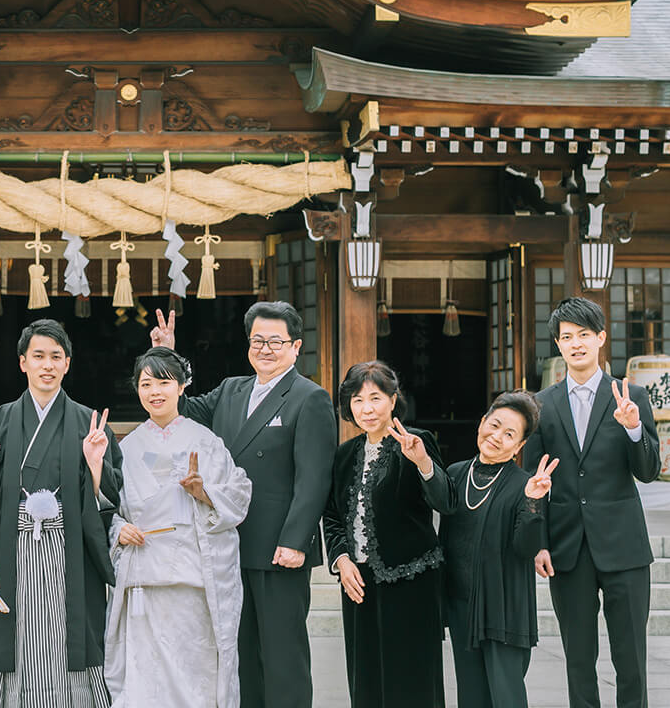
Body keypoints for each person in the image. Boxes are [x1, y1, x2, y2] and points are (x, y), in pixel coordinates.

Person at [151, 302, 336, 708]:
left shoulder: (310, 398)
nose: (265, 349)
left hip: (278, 549)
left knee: (282, 655)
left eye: (275, 341)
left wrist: (296, 541)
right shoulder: (232, 389)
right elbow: (183, 408)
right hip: (229, 544)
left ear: (296, 346)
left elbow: (314, 477)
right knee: (241, 654)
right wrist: (168, 360)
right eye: (257, 340)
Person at [0, 318, 122, 708]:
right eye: (38, 356)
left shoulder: (88, 424)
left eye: (56, 357)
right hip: (11, 551)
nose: (47, 365)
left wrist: (96, 466)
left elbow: (112, 499)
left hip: (70, 551)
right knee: (15, 640)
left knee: (70, 639)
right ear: (22, 362)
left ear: (68, 364)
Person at [523, 297, 660, 708]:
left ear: (601, 338)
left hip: (624, 546)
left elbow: (649, 470)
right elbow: (535, 481)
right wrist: (539, 541)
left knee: (631, 658)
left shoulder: (631, 395)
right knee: (578, 659)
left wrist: (634, 428)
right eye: (567, 337)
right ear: (558, 345)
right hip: (568, 548)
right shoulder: (542, 404)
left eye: (584, 335)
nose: (576, 344)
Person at [105, 347, 252, 708]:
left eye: (164, 382)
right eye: (146, 383)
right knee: (146, 681)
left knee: (194, 676)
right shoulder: (128, 446)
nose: (155, 391)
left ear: (183, 386)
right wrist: (119, 528)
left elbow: (239, 493)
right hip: (144, 581)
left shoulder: (206, 441)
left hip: (193, 583)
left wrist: (205, 492)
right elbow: (110, 506)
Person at [321, 360, 457, 708]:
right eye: (357, 400)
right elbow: (332, 515)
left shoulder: (417, 441)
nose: (366, 408)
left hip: (411, 579)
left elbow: (445, 502)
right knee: (366, 676)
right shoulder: (344, 455)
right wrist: (340, 560)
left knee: (411, 678)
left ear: (393, 400)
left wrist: (423, 463)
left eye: (375, 398)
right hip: (359, 582)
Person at [441, 391, 558, 708]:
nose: (497, 437)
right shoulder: (455, 474)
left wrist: (534, 501)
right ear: (482, 423)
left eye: (509, 435)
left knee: (506, 697)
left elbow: (526, 548)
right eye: (494, 426)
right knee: (471, 696)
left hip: (504, 607)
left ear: (520, 447)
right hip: (462, 605)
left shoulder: (524, 483)